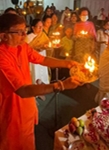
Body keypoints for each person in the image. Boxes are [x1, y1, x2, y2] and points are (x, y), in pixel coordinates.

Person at [0, 13, 81, 150]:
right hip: (12, 111)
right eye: (19, 32)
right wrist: (61, 85)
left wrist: (68, 63)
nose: (24, 36)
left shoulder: (22, 47)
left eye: (24, 31)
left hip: (28, 106)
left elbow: (42, 59)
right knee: (13, 143)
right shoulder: (2, 57)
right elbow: (23, 90)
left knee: (29, 140)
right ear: (3, 36)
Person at [27, 19, 50, 84]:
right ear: (33, 27)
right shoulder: (28, 37)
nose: (41, 28)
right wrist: (36, 48)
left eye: (42, 26)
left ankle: (44, 87)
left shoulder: (43, 35)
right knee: (35, 73)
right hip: (33, 59)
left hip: (42, 56)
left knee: (43, 71)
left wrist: (46, 46)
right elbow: (27, 49)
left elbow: (48, 43)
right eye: (39, 27)